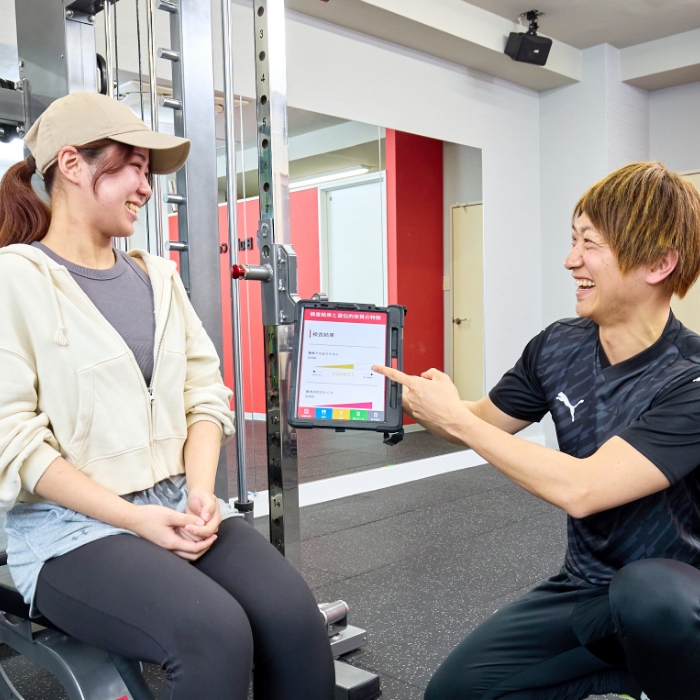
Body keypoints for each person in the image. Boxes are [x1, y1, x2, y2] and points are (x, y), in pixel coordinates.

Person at [0, 91, 334, 700]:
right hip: (70, 529)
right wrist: (133, 519)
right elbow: (13, 440)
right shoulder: (15, 278)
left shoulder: (158, 277)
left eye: (146, 173)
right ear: (72, 164)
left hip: (179, 499)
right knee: (213, 633)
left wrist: (201, 495)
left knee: (296, 623)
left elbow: (206, 396)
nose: (144, 186)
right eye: (131, 166)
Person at [374, 162, 700, 700]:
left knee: (648, 592)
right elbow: (480, 424)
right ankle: (625, 681)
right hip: (587, 586)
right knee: (455, 694)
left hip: (679, 601)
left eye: (591, 243)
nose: (572, 260)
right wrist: (428, 402)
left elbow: (584, 489)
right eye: (574, 240)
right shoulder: (558, 346)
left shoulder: (689, 377)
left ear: (660, 263)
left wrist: (457, 420)